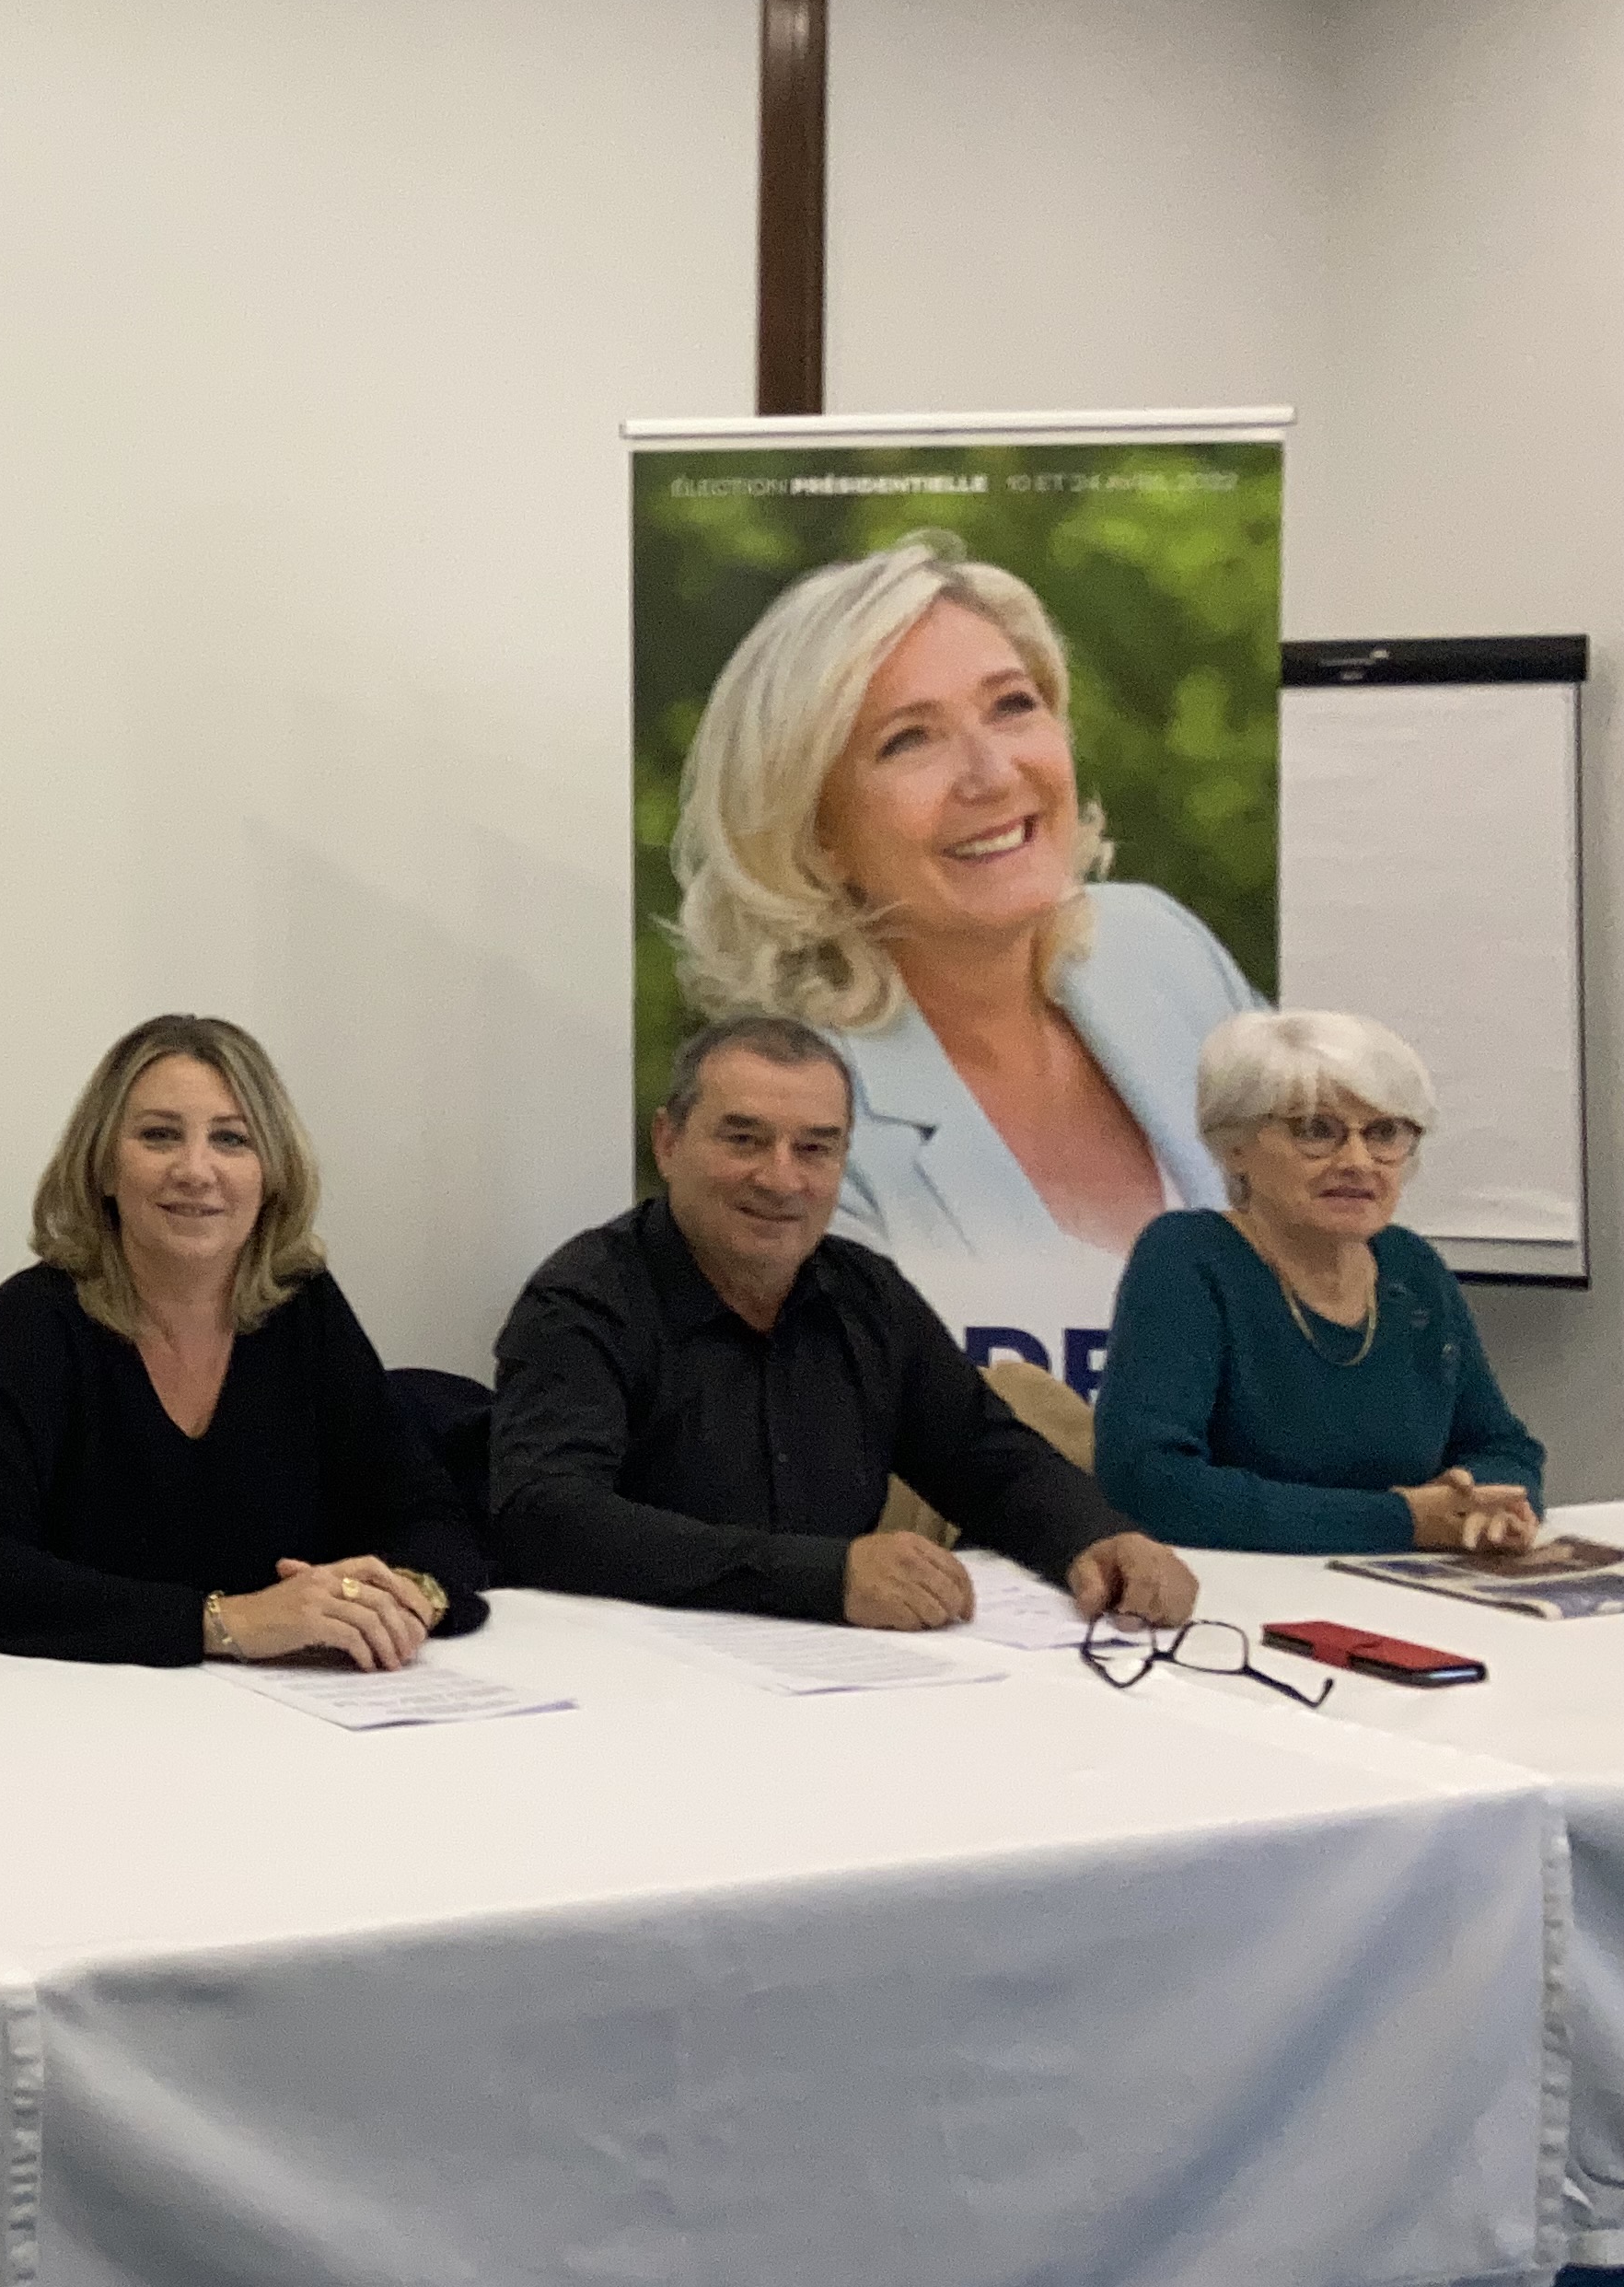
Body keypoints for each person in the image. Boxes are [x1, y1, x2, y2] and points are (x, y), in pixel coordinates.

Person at [490, 1015, 1200, 1629]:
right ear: (668, 1142)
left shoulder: (866, 1293)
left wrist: (1099, 1538)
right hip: (636, 1680)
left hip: (844, 1678)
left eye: (815, 1148)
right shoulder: (585, 1298)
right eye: (743, 1140)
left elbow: (984, 1457)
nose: (781, 1180)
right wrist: (823, 1577)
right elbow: (546, 1517)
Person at [670, 532, 1260, 1270]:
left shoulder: (1161, 948)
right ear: (816, 832)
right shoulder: (801, 1120)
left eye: (1012, 705)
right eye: (908, 740)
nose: (992, 774)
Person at [0, 1015, 493, 1667]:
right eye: (159, 1136)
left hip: (288, 1722)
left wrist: (405, 1598)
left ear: (271, 1172)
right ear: (104, 1166)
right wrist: (227, 1622)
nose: (196, 1169)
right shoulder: (40, 1317)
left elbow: (434, 1519)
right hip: (79, 1718)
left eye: (232, 1139)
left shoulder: (303, 1308)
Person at [1096, 1011, 1544, 1555]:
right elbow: (1150, 1483)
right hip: (1236, 1599)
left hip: (1400, 1591)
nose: (1357, 1161)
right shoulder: (1189, 1256)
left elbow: (1501, 1445)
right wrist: (1402, 1520)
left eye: (1384, 1133)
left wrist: (1495, 1505)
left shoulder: (1410, 1266)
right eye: (1316, 1131)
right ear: (1233, 1144)